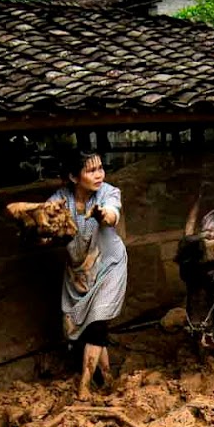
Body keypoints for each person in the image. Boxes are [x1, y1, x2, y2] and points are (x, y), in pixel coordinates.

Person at [49, 150, 126, 398]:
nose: (99, 174)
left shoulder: (108, 192)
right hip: (79, 273)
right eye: (91, 170)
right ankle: (108, 377)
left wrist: (103, 214)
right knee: (90, 325)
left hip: (109, 265)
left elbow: (112, 214)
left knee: (98, 323)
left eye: (101, 168)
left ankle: (84, 384)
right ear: (74, 177)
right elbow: (47, 217)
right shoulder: (61, 199)